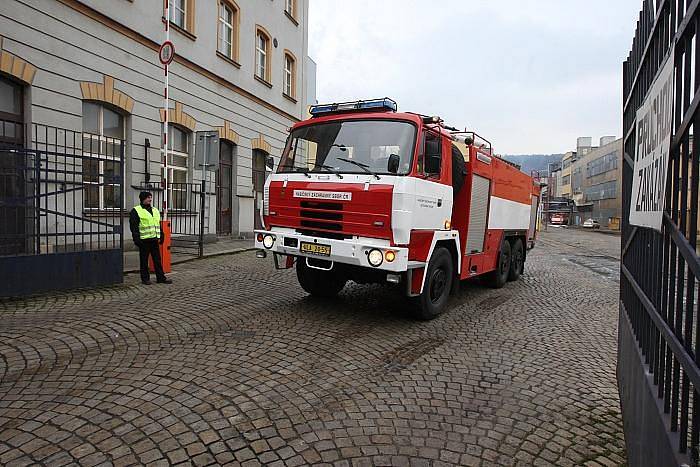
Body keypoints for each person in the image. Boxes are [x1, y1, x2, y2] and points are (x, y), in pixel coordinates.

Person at [129, 191, 172, 285]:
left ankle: (161, 278)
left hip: (154, 239)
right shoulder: (136, 210)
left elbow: (157, 223)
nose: (150, 199)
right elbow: (134, 227)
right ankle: (145, 279)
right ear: (143, 199)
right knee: (144, 261)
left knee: (157, 260)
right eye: (148, 197)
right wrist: (136, 239)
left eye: (150, 197)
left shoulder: (155, 210)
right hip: (144, 240)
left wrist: (161, 235)